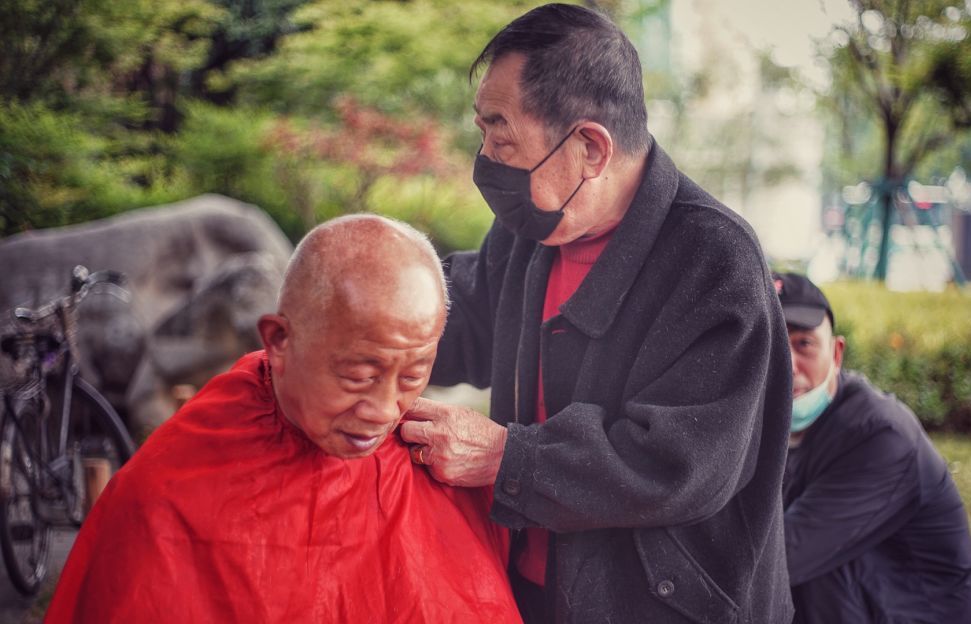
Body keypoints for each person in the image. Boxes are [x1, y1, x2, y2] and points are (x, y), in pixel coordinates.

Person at [397, 4, 795, 622]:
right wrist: (364, 310)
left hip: (662, 605)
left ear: (589, 147)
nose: (487, 159)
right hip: (533, 587)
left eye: (501, 136)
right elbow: (455, 315)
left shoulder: (713, 261)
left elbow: (680, 464)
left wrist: (510, 458)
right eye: (483, 133)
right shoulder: (530, 234)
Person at [45, 215, 521, 623]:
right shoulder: (168, 489)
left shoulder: (436, 468)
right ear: (278, 341)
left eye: (414, 374)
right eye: (357, 375)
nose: (382, 410)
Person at [774, 272, 971, 623]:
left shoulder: (882, 436)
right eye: (772, 346)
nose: (787, 365)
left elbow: (783, 557)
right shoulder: (764, 425)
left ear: (836, 353)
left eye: (804, 344)